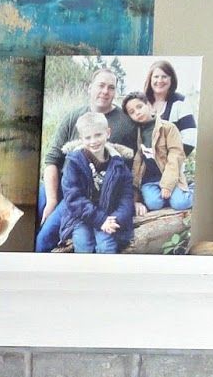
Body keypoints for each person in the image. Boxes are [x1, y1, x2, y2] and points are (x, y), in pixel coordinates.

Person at [37, 67, 138, 252]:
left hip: (95, 193)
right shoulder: (73, 117)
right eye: (101, 85)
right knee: (38, 206)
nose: (105, 91)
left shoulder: (125, 124)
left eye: (111, 87)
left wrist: (135, 199)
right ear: (89, 88)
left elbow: (130, 170)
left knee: (44, 238)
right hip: (66, 184)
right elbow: (52, 159)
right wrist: (51, 199)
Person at [57, 112, 135, 253]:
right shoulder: (74, 162)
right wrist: (100, 219)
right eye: (88, 137)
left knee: (106, 245)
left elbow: (127, 196)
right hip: (81, 216)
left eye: (98, 135)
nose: (93, 141)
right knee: (83, 243)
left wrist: (115, 219)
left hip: (110, 214)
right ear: (81, 139)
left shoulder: (119, 163)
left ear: (108, 133)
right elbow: (73, 198)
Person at [122, 91, 193, 212]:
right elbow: (138, 160)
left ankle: (193, 190)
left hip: (170, 176)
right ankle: (168, 196)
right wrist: (135, 186)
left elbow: (176, 156)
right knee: (154, 204)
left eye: (139, 107)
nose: (137, 112)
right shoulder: (137, 132)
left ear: (149, 105)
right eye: (132, 112)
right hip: (150, 180)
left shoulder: (167, 128)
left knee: (180, 203)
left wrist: (167, 185)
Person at [142, 60, 197, 155]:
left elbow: (190, 139)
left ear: (171, 79)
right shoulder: (142, 102)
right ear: (150, 79)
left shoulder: (180, 102)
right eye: (156, 77)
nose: (160, 80)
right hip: (142, 166)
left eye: (164, 77)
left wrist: (170, 162)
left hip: (170, 166)